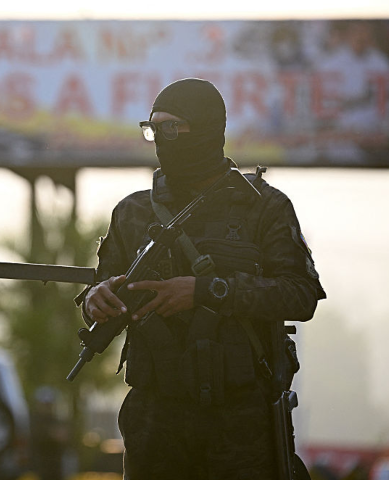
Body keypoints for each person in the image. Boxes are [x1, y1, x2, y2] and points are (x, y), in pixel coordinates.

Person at [77, 78, 326, 479]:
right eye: (153, 129)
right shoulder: (133, 213)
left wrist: (209, 291)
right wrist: (97, 298)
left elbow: (300, 294)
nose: (161, 139)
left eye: (172, 128)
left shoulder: (263, 208)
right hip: (155, 419)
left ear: (209, 129)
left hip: (239, 423)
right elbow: (104, 286)